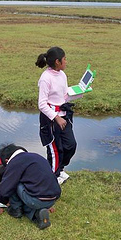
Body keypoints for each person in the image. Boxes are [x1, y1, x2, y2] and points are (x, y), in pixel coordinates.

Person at [36, 46, 82, 185]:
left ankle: (59, 169)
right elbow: (42, 104)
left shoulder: (62, 75)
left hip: (63, 115)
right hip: (51, 119)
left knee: (70, 145)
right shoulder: (45, 78)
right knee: (55, 150)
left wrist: (81, 90)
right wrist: (56, 117)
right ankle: (53, 178)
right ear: (57, 61)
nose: (66, 61)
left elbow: (64, 96)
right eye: (64, 59)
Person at [0, 144, 61, 230]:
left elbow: (4, 189)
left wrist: (4, 201)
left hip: (37, 200)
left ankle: (16, 210)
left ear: (6, 160)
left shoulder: (14, 162)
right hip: (53, 198)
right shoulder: (36, 156)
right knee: (24, 188)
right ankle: (37, 214)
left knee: (13, 181)